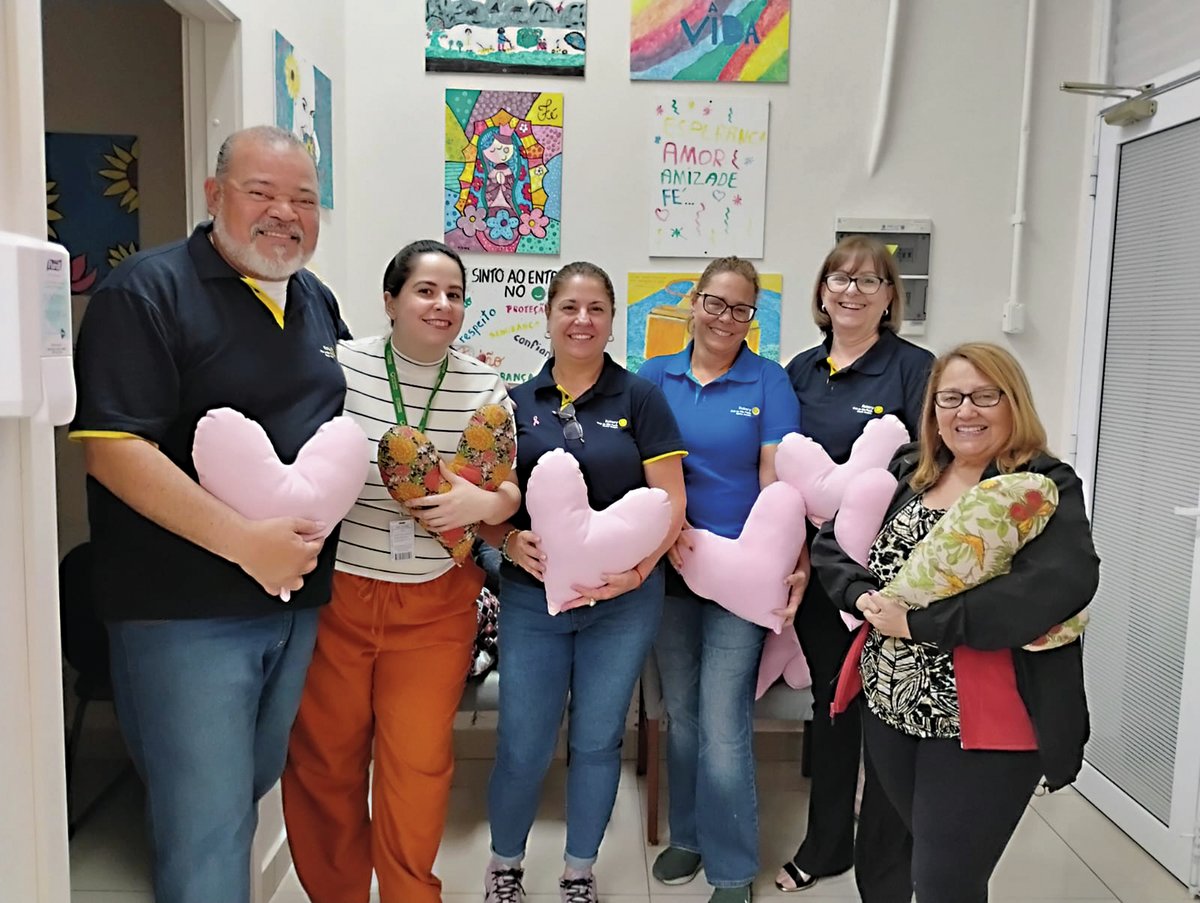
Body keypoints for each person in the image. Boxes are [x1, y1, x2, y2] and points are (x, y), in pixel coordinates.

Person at [69, 125, 349, 903]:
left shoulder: (315, 302)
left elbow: (342, 431)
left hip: (294, 607)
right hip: (183, 615)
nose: (283, 213)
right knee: (206, 824)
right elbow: (113, 449)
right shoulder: (148, 292)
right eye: (261, 192)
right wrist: (245, 544)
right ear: (214, 195)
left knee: (246, 788)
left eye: (302, 198)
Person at [814, 342, 1098, 902]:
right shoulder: (910, 470)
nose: (965, 411)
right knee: (893, 860)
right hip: (890, 705)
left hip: (985, 719)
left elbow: (1054, 588)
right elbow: (833, 542)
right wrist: (860, 591)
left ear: (1012, 401)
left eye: (984, 395)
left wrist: (920, 625)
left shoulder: (1041, 485)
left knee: (947, 882)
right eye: (951, 398)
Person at [281, 240, 520, 903]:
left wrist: (483, 501)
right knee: (325, 761)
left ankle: (411, 893)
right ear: (390, 301)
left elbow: (506, 493)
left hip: (438, 604)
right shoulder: (339, 368)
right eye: (425, 290)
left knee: (417, 768)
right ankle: (338, 893)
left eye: (454, 294)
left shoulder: (483, 382)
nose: (442, 305)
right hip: (341, 596)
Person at [481, 262, 687, 903]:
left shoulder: (642, 399)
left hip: (623, 605)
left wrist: (638, 572)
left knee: (598, 742)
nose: (582, 320)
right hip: (530, 598)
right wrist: (509, 541)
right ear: (547, 316)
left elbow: (670, 503)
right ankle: (504, 869)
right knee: (523, 742)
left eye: (596, 308)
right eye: (569, 307)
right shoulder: (511, 406)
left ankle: (578, 873)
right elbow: (484, 510)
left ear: (610, 320)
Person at [638, 258, 803, 903]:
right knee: (681, 713)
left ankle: (733, 866)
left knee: (723, 718)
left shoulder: (769, 382)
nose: (724, 319)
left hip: (741, 576)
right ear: (693, 303)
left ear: (752, 318)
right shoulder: (654, 378)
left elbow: (776, 482)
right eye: (714, 303)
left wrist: (791, 558)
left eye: (740, 309)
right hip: (671, 569)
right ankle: (689, 836)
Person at [779, 235, 934, 898]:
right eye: (839, 278)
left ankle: (890, 860)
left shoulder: (913, 367)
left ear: (891, 297)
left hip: (892, 575)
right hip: (822, 571)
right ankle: (826, 845)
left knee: (892, 714)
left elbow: (933, 466)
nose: (851, 290)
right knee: (833, 704)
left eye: (869, 281)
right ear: (821, 292)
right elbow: (782, 470)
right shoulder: (799, 371)